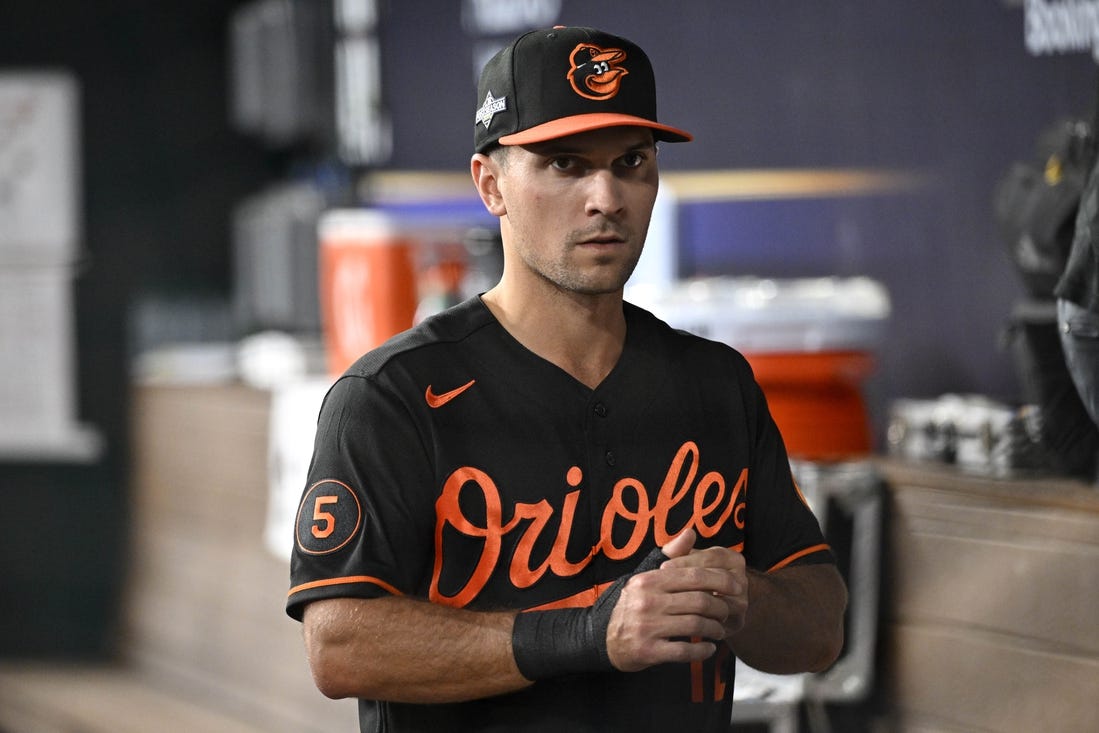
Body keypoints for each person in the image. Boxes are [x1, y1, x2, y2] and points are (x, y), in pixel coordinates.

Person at [287, 25, 847, 732]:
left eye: (632, 162)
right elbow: (338, 645)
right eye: (564, 164)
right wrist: (590, 632)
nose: (606, 195)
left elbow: (819, 622)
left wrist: (739, 593)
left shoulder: (715, 383)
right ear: (490, 184)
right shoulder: (391, 394)